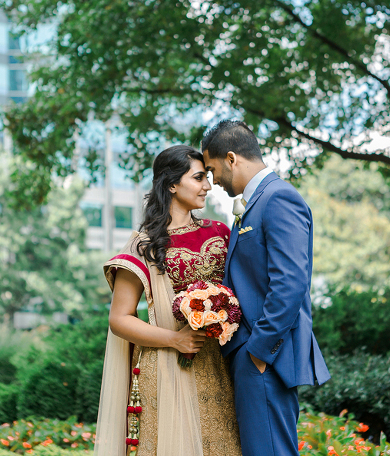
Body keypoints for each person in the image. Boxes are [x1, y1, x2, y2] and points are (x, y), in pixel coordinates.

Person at [93, 145, 242, 456]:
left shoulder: (220, 233)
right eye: (199, 177)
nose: (208, 185)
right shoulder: (144, 245)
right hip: (168, 366)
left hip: (222, 365)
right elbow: (119, 319)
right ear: (172, 184)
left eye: (208, 177)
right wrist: (175, 339)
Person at [201, 120, 331, 456]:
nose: (212, 182)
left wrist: (258, 351)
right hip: (253, 356)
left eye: (213, 171)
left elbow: (290, 283)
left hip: (266, 356)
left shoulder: (279, 198)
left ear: (232, 158)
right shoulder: (254, 203)